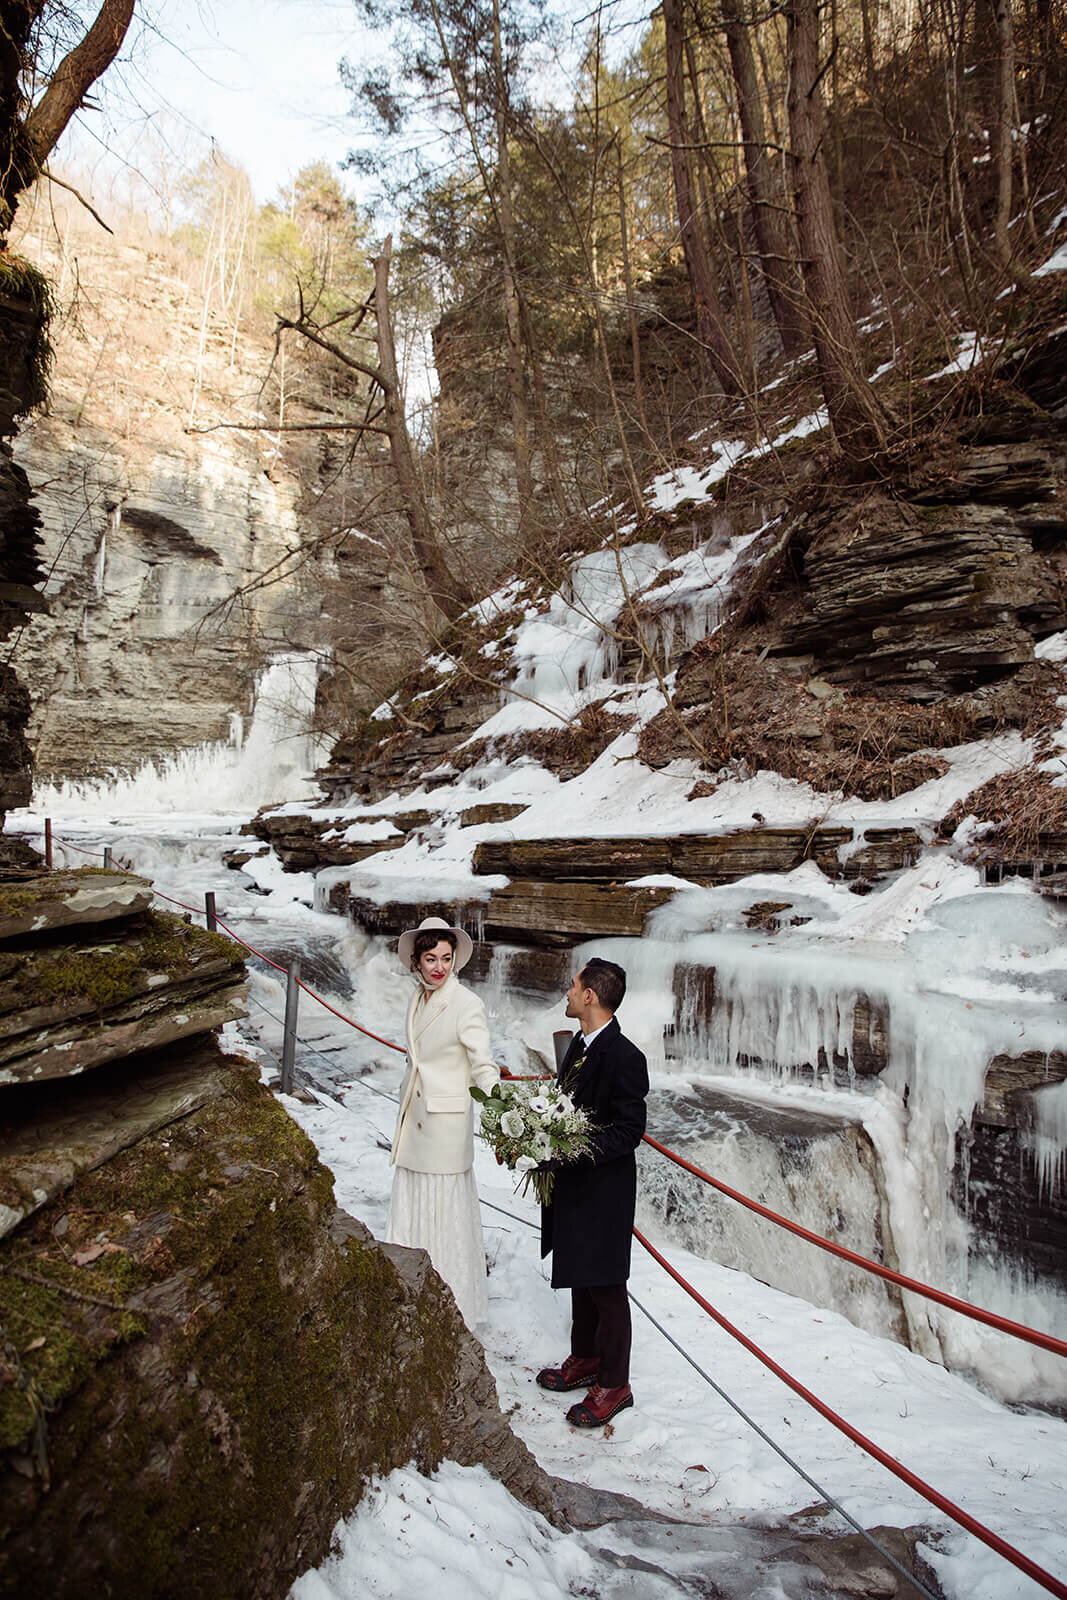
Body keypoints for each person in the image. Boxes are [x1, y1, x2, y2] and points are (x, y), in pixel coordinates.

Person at [536, 956, 649, 1428]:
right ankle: (584, 1358)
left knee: (605, 1286)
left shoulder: (625, 1056)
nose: (567, 991)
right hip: (576, 1187)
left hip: (604, 1189)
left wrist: (573, 1151)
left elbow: (629, 1131)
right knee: (581, 1274)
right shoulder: (579, 1046)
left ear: (590, 997)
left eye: (573, 985)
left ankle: (615, 1382)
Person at [386, 915, 499, 1329]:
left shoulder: (466, 1004)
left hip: (445, 1130)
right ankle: (412, 1299)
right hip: (414, 1121)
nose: (439, 967)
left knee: (445, 1218)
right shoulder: (418, 998)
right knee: (416, 1212)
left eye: (447, 959)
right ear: (416, 961)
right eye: (431, 958)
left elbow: (483, 1064)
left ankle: (454, 1312)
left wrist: (501, 1109)